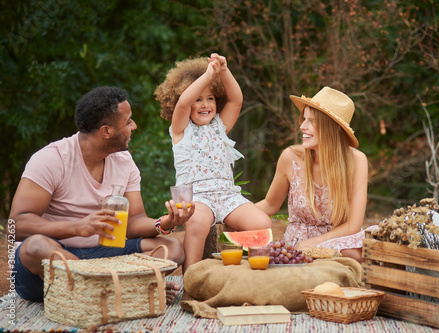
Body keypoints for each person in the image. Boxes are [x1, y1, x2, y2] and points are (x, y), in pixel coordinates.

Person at [10, 86, 194, 303]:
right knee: (35, 246)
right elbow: (16, 225)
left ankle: (103, 291)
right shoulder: (51, 160)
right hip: (56, 259)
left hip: (104, 255)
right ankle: (127, 290)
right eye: (128, 122)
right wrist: (78, 227)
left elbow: (133, 222)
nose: (133, 126)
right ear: (106, 131)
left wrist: (164, 223)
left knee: (171, 248)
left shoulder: (124, 162)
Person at [154, 54, 272, 273]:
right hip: (197, 197)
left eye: (210, 98)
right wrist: (207, 76)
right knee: (197, 223)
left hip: (228, 196)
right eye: (198, 100)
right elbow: (182, 103)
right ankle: (191, 281)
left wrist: (223, 71)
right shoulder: (181, 131)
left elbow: (236, 100)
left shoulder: (220, 125)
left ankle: (253, 276)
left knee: (262, 223)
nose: (205, 104)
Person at [256, 87, 376, 263]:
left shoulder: (357, 161)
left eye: (311, 121)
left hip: (337, 244)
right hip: (298, 247)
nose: (302, 126)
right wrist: (233, 214)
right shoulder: (290, 158)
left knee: (363, 248)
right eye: (304, 119)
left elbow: (353, 225)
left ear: (332, 128)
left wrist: (315, 243)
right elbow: (269, 204)